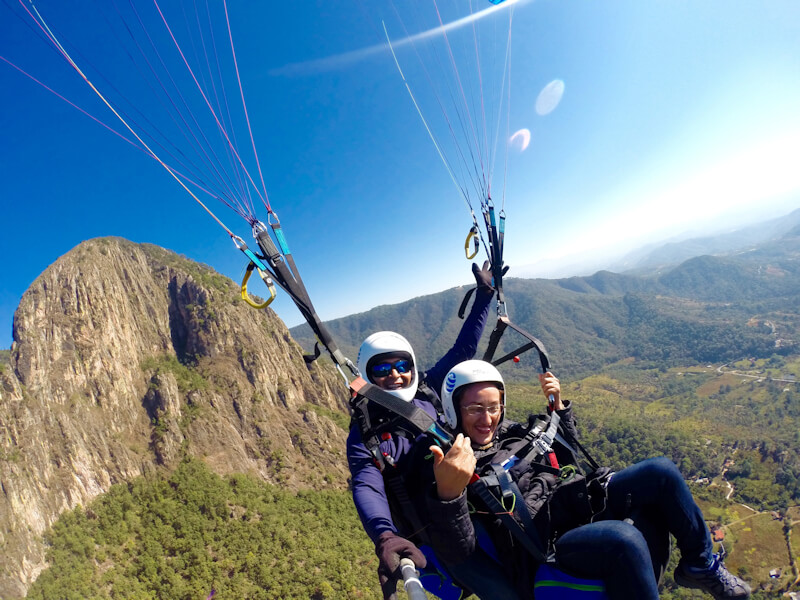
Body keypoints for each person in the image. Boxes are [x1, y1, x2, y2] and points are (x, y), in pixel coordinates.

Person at [422, 359, 752, 600]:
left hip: (578, 502)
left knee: (661, 472)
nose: (487, 418)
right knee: (622, 539)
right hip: (544, 544)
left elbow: (566, 454)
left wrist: (559, 407)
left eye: (494, 407)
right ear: (454, 410)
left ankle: (700, 565)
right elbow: (461, 550)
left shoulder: (512, 434)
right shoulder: (457, 462)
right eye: (475, 409)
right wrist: (448, 495)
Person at [347, 262, 519, 600]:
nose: (395, 375)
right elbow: (367, 486)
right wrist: (385, 535)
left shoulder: (426, 388)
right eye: (382, 369)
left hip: (478, 494)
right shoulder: (366, 433)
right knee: (510, 593)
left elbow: (463, 351)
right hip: (440, 530)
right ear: (368, 374)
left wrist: (485, 296)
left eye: (401, 366)